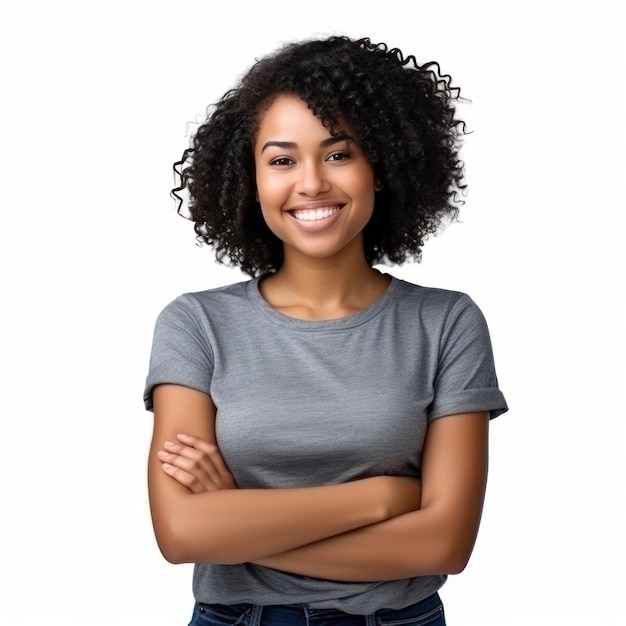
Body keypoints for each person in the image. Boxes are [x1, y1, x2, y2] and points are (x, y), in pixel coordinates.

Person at [144, 35, 508, 626]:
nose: (311, 183)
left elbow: (443, 545)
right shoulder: (196, 324)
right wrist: (382, 499)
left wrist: (237, 519)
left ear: (382, 166)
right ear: (251, 179)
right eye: (282, 160)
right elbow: (182, 533)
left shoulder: (447, 323)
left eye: (339, 154)